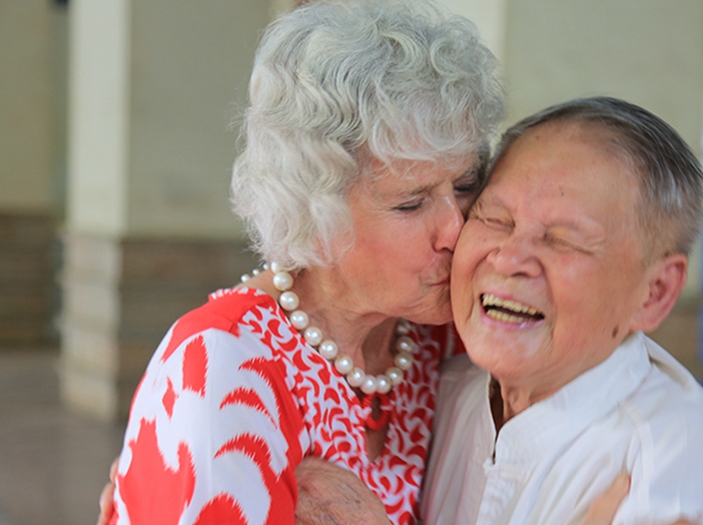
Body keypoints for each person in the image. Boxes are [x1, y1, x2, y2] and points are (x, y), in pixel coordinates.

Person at [106, 1, 503, 524]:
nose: (456, 228)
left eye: (466, 184)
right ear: (317, 212)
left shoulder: (447, 335)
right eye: (411, 203)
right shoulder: (225, 371)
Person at [420, 97, 703, 524]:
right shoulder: (438, 389)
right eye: (495, 218)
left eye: (563, 240)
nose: (508, 259)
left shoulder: (675, 441)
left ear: (654, 293)